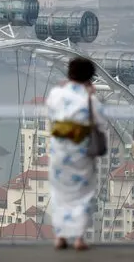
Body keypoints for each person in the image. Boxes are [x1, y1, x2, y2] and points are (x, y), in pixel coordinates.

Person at [46, 57, 108, 251]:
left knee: (59, 194)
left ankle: (60, 237)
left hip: (59, 151)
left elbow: (50, 115)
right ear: (90, 77)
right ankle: (79, 238)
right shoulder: (91, 100)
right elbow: (100, 123)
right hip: (81, 152)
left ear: (69, 73)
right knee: (83, 195)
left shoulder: (56, 94)